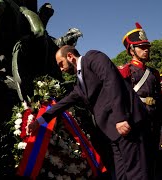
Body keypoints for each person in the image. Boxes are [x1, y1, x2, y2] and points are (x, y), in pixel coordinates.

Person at [28, 45, 149, 180]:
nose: (61, 69)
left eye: (61, 64)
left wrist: (121, 118)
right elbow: (64, 103)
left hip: (126, 123)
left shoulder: (93, 58)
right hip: (113, 132)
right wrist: (39, 121)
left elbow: (112, 82)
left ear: (70, 56)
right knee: (121, 175)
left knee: (135, 173)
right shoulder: (80, 83)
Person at [118, 22, 162, 180]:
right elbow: (119, 99)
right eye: (141, 47)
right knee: (138, 167)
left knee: (152, 166)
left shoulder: (154, 73)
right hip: (136, 125)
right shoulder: (125, 71)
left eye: (147, 47)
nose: (146, 50)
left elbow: (159, 102)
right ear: (131, 50)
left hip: (152, 125)